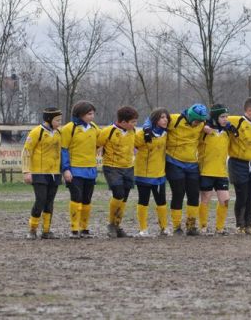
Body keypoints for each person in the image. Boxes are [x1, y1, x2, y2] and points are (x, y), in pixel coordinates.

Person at [165, 104, 208, 236]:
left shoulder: (202, 123)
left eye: (201, 122)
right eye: (196, 121)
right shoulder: (173, 119)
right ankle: (177, 226)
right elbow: (153, 119)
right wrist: (149, 128)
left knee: (194, 194)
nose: (198, 124)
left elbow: (220, 122)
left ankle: (191, 226)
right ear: (189, 116)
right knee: (178, 193)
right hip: (174, 161)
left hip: (192, 164)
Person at [227, 97, 251, 234]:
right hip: (238, 164)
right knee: (241, 195)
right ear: (249, 110)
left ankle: (248, 224)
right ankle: (240, 225)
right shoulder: (236, 121)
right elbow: (220, 120)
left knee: (250, 196)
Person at [22, 107, 63, 239]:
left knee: (49, 201)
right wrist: (27, 171)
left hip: (54, 173)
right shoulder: (36, 132)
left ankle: (46, 230)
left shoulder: (59, 133)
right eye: (57, 120)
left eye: (60, 120)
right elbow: (26, 152)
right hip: (39, 173)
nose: (59, 123)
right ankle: (32, 230)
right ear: (49, 120)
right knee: (40, 200)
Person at [61, 101, 100, 239]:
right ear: (80, 114)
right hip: (75, 170)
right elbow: (64, 149)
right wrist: (66, 169)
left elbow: (101, 142)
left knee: (87, 199)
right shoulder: (69, 128)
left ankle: (84, 228)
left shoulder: (94, 127)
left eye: (93, 113)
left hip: (90, 169)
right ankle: (74, 228)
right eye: (89, 114)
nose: (92, 116)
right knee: (76, 197)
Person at [98, 106, 139, 238]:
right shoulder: (108, 131)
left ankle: (117, 225)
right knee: (118, 192)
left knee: (125, 197)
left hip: (128, 167)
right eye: (132, 122)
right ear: (122, 122)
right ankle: (111, 224)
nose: (135, 124)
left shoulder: (132, 131)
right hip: (112, 167)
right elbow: (97, 144)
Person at [134, 108, 170, 237]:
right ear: (155, 119)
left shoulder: (166, 133)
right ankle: (143, 229)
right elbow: (132, 146)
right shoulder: (143, 134)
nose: (165, 120)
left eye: (166, 117)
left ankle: (164, 228)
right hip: (143, 173)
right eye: (162, 117)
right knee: (143, 201)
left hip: (159, 174)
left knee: (161, 201)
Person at [198, 104, 232, 235]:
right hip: (206, 171)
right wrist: (204, 125)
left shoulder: (226, 131)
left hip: (221, 172)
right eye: (222, 117)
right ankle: (203, 227)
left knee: (225, 200)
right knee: (205, 199)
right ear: (215, 117)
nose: (225, 119)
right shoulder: (205, 130)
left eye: (226, 117)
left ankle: (220, 228)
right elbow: (194, 126)